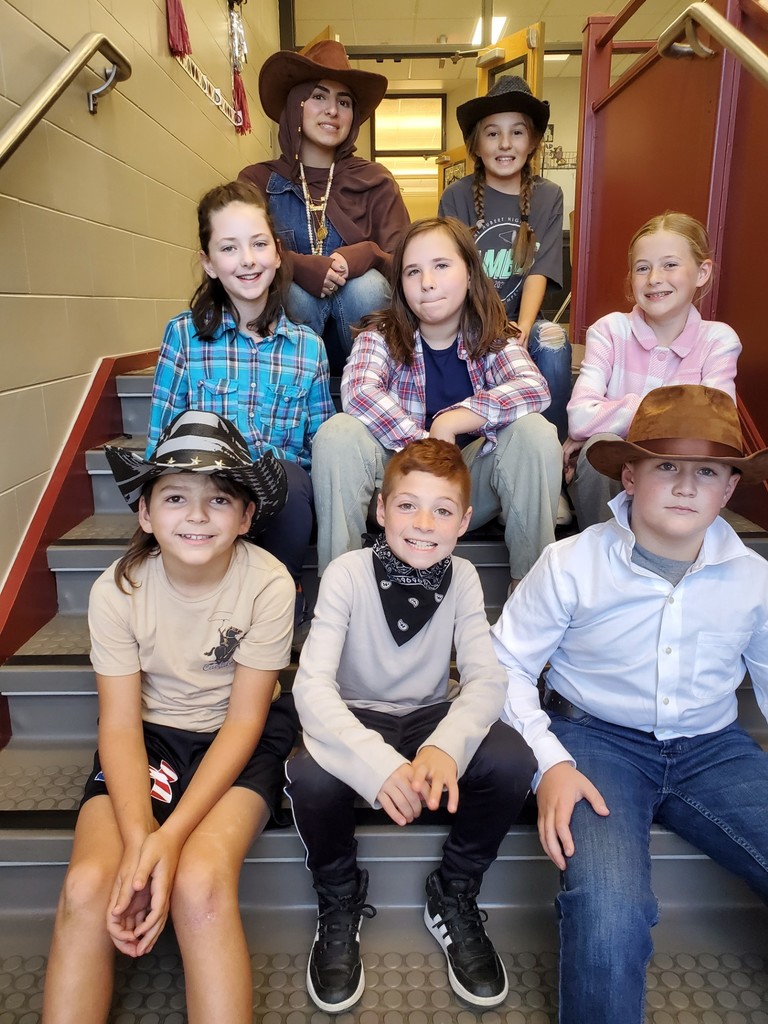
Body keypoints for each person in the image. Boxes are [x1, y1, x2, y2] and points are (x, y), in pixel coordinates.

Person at [491, 385, 768, 1024]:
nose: (685, 486)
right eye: (666, 466)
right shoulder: (571, 564)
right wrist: (549, 763)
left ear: (729, 490)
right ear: (630, 474)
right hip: (595, 741)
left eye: (707, 472)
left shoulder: (752, 578)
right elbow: (503, 664)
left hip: (712, 748)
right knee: (610, 907)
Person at [42, 410, 299, 1024]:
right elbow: (120, 725)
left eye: (219, 500)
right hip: (150, 737)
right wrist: (139, 845)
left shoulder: (270, 584)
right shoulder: (117, 590)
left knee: (199, 884)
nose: (197, 515)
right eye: (176, 497)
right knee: (86, 887)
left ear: (245, 518)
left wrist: (170, 838)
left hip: (238, 738)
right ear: (145, 513)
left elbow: (243, 723)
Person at [286, 438, 536, 1013]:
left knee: (513, 761)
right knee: (313, 777)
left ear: (464, 521)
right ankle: (339, 895)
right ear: (380, 509)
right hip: (355, 713)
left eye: (442, 510)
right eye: (407, 506)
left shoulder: (466, 578)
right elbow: (311, 685)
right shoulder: (348, 573)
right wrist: (377, 764)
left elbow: (486, 680)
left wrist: (445, 748)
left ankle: (453, 890)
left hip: (428, 715)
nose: (424, 524)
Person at [311, 216, 562, 588]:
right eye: (413, 272)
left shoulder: (493, 335)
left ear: (471, 274)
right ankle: (341, 590)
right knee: (337, 433)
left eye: (441, 266)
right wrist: (424, 441)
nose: (427, 283)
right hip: (397, 487)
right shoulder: (379, 334)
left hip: (468, 488)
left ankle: (529, 587)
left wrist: (454, 421)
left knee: (535, 432)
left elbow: (533, 388)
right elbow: (359, 393)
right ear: (401, 284)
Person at [146, 180, 333, 634]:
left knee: (290, 475)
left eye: (258, 244)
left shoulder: (308, 347)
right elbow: (161, 440)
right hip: (207, 491)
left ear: (277, 253)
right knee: (199, 490)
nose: (247, 260)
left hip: (278, 500)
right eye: (229, 248)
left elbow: (321, 448)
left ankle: (282, 590)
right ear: (209, 264)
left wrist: (267, 477)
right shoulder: (183, 336)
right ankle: (204, 594)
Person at [565, 211, 740, 528]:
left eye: (670, 264)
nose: (654, 278)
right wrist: (678, 410)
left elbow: (714, 427)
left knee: (611, 439)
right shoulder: (610, 330)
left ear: (702, 272)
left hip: (683, 477)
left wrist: (622, 413)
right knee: (599, 445)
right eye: (642, 268)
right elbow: (580, 419)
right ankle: (608, 559)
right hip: (615, 474)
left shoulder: (718, 340)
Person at [239, 40, 411, 362]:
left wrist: (369, 254)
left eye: (344, 102)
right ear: (296, 105)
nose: (333, 110)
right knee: (292, 292)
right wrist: (294, 265)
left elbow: (408, 265)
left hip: (367, 347)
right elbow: (242, 259)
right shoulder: (258, 181)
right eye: (319, 97)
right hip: (287, 352)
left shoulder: (377, 180)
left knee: (367, 287)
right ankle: (290, 395)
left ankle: (371, 389)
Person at [439, 75, 572, 443]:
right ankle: (475, 444)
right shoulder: (457, 196)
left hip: (520, 321)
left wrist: (524, 326)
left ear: (532, 143)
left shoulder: (548, 196)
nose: (504, 143)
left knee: (555, 342)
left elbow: (540, 269)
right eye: (492, 133)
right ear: (476, 145)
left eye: (517, 132)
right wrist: (486, 323)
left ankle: (553, 449)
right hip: (470, 319)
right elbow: (452, 271)